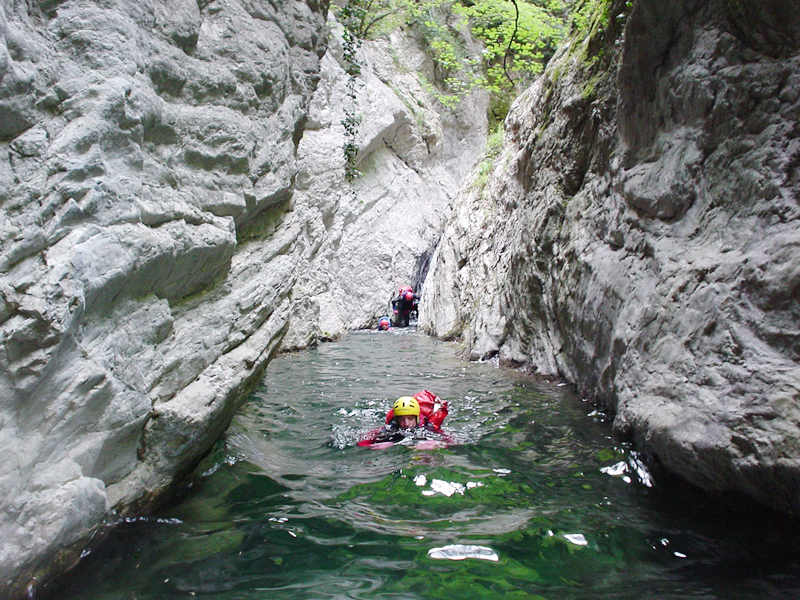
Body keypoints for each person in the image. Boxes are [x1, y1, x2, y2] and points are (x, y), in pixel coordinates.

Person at [357, 390, 451, 447]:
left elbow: (453, 441)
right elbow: (364, 441)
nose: (406, 423)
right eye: (401, 419)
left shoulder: (427, 427)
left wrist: (437, 444)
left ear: (417, 418)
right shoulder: (392, 427)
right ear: (396, 420)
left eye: (410, 418)